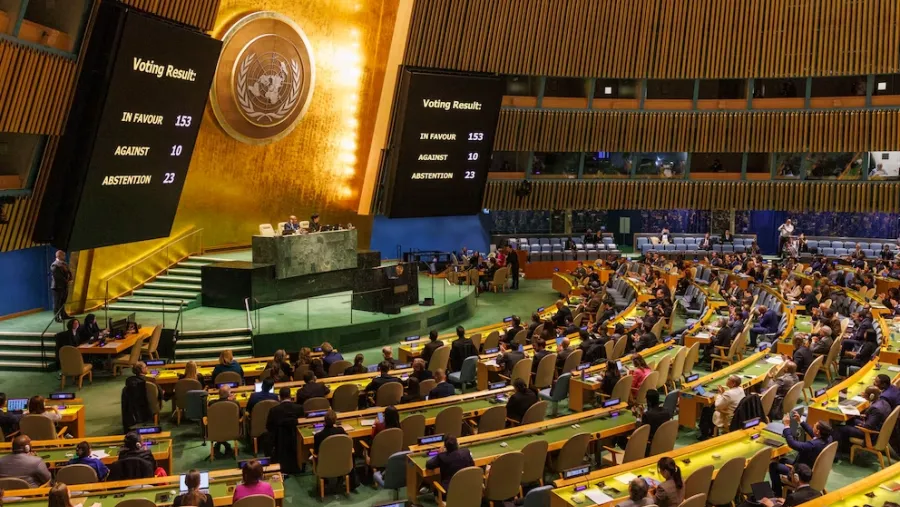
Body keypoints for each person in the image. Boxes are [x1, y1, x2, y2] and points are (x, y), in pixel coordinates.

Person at [769, 412, 831, 497]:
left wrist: (786, 426)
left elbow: (792, 443)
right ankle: (787, 492)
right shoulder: (828, 439)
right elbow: (812, 433)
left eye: (815, 426)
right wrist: (800, 421)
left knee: (773, 466)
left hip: (801, 474)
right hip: (809, 466)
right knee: (782, 460)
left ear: (818, 431)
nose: (812, 425)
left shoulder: (812, 446)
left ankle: (777, 494)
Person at [265, 387, 304, 472]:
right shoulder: (299, 408)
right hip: (295, 440)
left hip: (279, 441)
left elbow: (268, 427)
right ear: (290, 396)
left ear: (279, 397)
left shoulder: (274, 410)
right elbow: (302, 426)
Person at [121, 362, 158, 432]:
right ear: (142, 370)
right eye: (145, 367)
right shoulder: (150, 380)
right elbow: (160, 394)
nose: (147, 368)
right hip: (149, 404)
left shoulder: (129, 381)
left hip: (134, 410)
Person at [50, 250, 72, 321]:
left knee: (63, 302)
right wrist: (67, 281)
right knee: (57, 303)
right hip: (57, 287)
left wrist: (71, 278)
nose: (65, 256)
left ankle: (63, 315)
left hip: (64, 286)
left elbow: (69, 272)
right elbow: (58, 277)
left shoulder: (64, 264)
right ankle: (56, 317)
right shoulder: (54, 265)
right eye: (63, 255)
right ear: (59, 256)